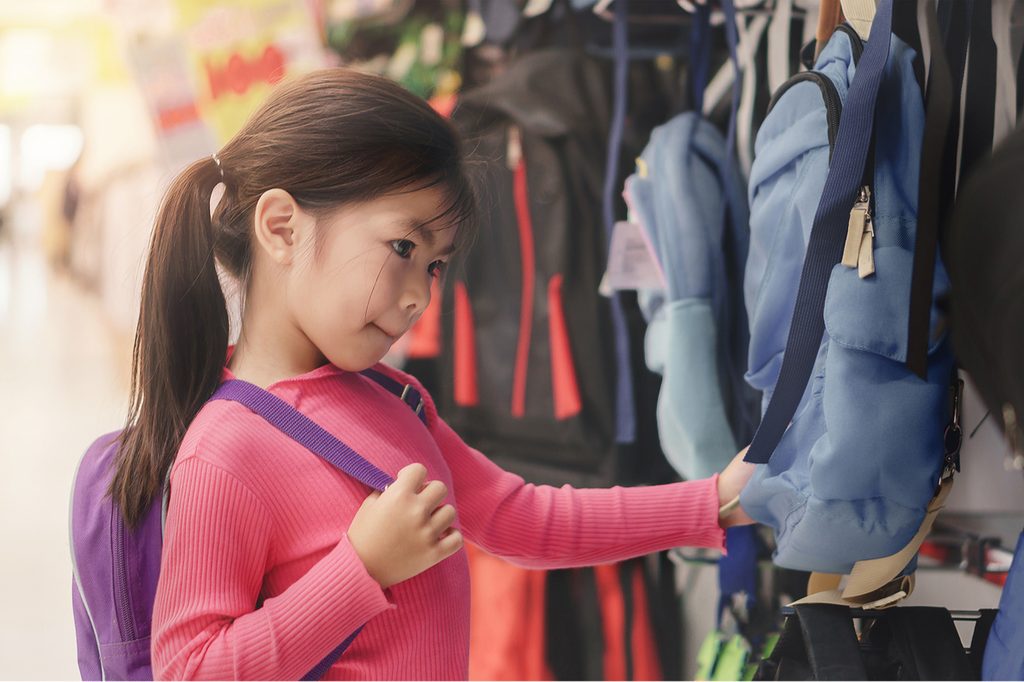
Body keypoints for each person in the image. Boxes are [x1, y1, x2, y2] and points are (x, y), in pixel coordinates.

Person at [111, 68, 756, 680]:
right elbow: (192, 669)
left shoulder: (398, 399)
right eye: (403, 249)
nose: (421, 295)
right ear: (282, 228)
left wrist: (717, 500)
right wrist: (361, 569)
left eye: (436, 265)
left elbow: (524, 519)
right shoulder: (227, 449)